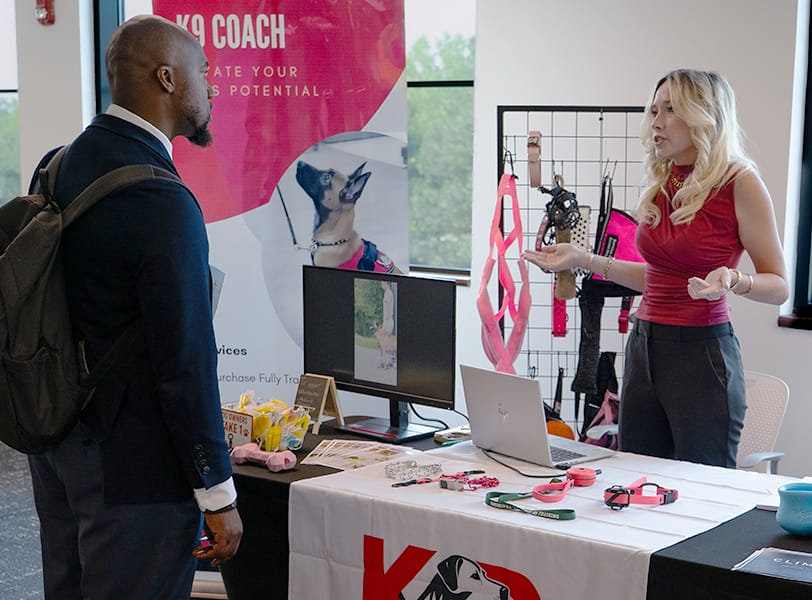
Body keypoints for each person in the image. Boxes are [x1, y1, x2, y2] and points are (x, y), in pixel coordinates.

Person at [26, 15, 242, 599]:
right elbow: (185, 360)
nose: (210, 87)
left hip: (57, 446)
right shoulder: (160, 199)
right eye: (204, 72)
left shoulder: (58, 164)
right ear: (167, 79)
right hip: (134, 471)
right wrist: (217, 492)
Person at [522, 69, 788, 468]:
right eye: (654, 111)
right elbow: (657, 280)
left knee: (701, 491)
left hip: (701, 354)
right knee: (635, 483)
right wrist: (583, 260)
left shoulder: (739, 182)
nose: (656, 122)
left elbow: (780, 287)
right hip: (645, 347)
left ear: (704, 116)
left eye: (670, 111)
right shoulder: (663, 182)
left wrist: (734, 280)